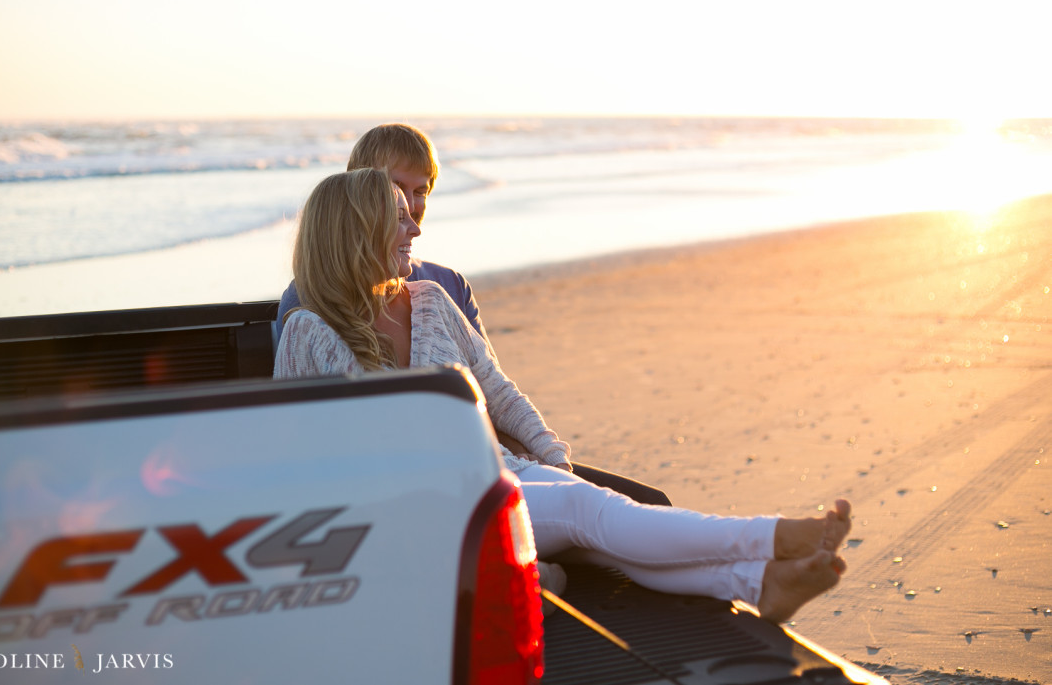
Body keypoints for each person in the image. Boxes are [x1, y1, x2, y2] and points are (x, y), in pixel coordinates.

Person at [274, 168, 852, 622]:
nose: (416, 230)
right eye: (399, 218)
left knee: (602, 527)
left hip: (499, 474)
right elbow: (297, 459)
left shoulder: (428, 301)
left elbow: (498, 392)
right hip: (425, 511)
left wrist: (552, 457)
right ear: (358, 230)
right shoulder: (310, 332)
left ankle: (758, 585)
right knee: (589, 513)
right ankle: (772, 537)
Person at [276, 123, 672, 506]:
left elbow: (491, 395)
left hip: (499, 464)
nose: (412, 206)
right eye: (397, 189)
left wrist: (538, 465)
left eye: (421, 192)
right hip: (426, 489)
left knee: (649, 502)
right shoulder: (311, 299)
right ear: (360, 190)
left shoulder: (445, 285)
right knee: (596, 515)